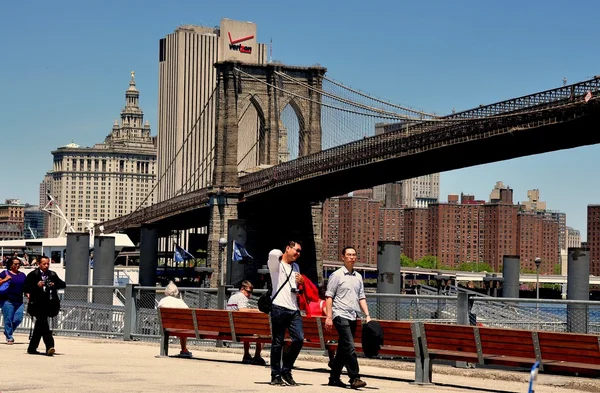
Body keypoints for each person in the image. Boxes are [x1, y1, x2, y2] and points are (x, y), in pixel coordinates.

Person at [325, 246, 370, 388]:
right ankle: (354, 378)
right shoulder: (336, 275)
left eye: (354, 255)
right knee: (350, 346)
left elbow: (361, 297)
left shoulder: (358, 277)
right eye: (349, 255)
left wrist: (367, 315)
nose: (352, 257)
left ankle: (334, 378)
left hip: (352, 315)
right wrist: (329, 316)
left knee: (343, 349)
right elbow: (329, 296)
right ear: (342, 257)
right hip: (340, 314)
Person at [268, 241, 304, 386]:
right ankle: (275, 374)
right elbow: (273, 252)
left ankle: (286, 370)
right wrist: (284, 255)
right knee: (277, 342)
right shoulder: (275, 265)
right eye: (296, 250)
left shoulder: (296, 266)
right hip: (279, 307)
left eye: (300, 251)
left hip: (293, 309)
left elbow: (295, 288)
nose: (298, 254)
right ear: (287, 249)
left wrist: (301, 282)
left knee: (299, 339)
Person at [24, 256, 66, 356]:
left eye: (48, 264)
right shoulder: (33, 275)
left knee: (39, 326)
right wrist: (36, 285)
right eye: (44, 264)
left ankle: (32, 348)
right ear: (39, 264)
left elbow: (63, 284)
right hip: (36, 304)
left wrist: (53, 284)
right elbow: (26, 287)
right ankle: (50, 346)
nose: (46, 266)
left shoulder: (52, 274)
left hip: (48, 304)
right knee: (44, 325)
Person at [226, 280, 266, 366]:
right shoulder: (241, 297)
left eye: (251, 292)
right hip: (238, 328)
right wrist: (257, 310)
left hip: (230, 327)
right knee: (262, 332)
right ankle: (257, 356)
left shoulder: (233, 296)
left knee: (247, 328)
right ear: (242, 289)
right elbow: (242, 310)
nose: (249, 295)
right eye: (248, 292)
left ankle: (247, 355)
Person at [157, 281, 192, 358]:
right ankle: (184, 349)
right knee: (184, 326)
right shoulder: (179, 302)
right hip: (179, 328)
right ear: (176, 292)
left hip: (166, 327)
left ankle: (163, 352)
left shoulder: (162, 301)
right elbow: (189, 313)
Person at [0, 257, 27, 344]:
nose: (17, 265)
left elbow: (25, 287)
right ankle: (9, 337)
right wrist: (5, 280)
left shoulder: (22, 275)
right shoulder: (5, 273)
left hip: (19, 300)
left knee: (18, 319)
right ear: (10, 265)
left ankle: (8, 331)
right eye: (15, 264)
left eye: (19, 264)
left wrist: (28, 294)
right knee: (8, 319)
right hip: (7, 300)